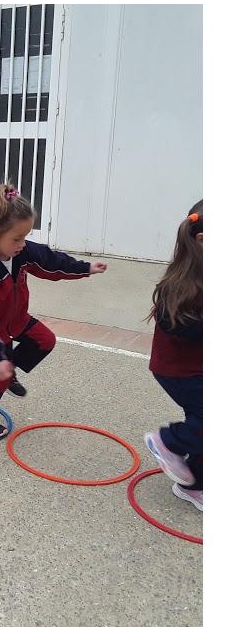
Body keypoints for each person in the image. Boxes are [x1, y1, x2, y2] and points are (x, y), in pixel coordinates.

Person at [0, 182, 105, 435]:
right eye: (17, 238)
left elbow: (51, 261)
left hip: (16, 319)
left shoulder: (21, 253)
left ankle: (9, 371)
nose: (23, 243)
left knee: (45, 340)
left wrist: (86, 268)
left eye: (25, 236)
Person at [141, 201, 202, 513]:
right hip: (178, 369)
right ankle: (169, 441)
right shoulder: (183, 279)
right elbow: (170, 322)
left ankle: (195, 486)